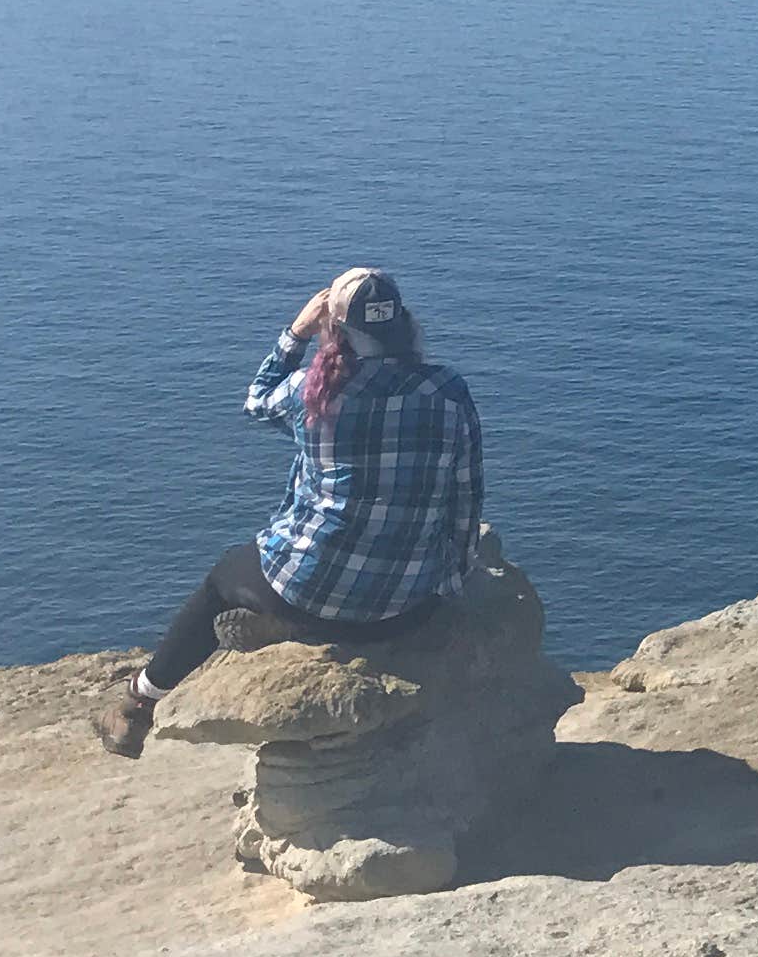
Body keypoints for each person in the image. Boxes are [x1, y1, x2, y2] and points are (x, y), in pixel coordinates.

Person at [94, 267, 486, 757]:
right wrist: (453, 581)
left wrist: (295, 334)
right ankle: (295, 629)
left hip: (306, 588)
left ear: (336, 329)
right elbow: (466, 498)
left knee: (222, 578)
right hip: (403, 613)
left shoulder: (310, 393)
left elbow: (256, 400)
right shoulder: (447, 392)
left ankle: (138, 704)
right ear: (404, 323)